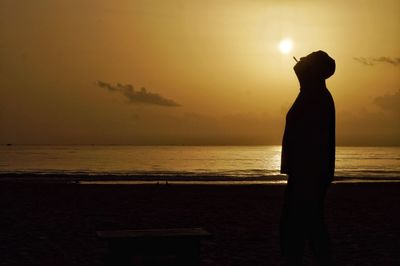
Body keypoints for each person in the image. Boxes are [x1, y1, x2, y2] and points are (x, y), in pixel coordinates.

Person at [280, 50, 336, 265]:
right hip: (306, 171)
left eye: (307, 60)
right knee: (307, 223)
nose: (300, 61)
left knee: (304, 223)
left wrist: (306, 174)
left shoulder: (316, 94)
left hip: (309, 173)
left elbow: (315, 141)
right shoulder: (311, 92)